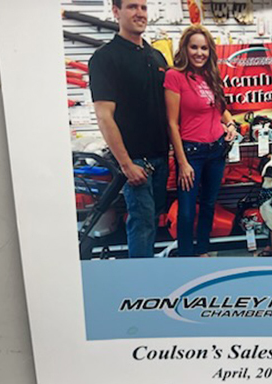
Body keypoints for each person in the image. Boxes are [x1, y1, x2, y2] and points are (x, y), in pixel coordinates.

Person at [88, 0, 169, 258]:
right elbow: (104, 116)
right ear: (116, 12)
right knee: (142, 225)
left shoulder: (156, 56)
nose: (140, 13)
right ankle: (142, 279)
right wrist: (126, 164)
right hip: (135, 161)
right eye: (132, 7)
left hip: (160, 158)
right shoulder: (105, 58)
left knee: (151, 220)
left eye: (143, 8)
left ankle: (146, 271)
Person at [164, 25, 237, 257]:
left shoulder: (211, 75)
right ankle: (186, 256)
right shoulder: (174, 76)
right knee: (186, 211)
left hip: (217, 151)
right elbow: (172, 124)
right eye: (194, 47)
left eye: (204, 48)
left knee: (208, 205)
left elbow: (221, 109)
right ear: (185, 48)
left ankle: (203, 251)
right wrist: (182, 162)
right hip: (191, 153)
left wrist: (231, 124)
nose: (199, 53)